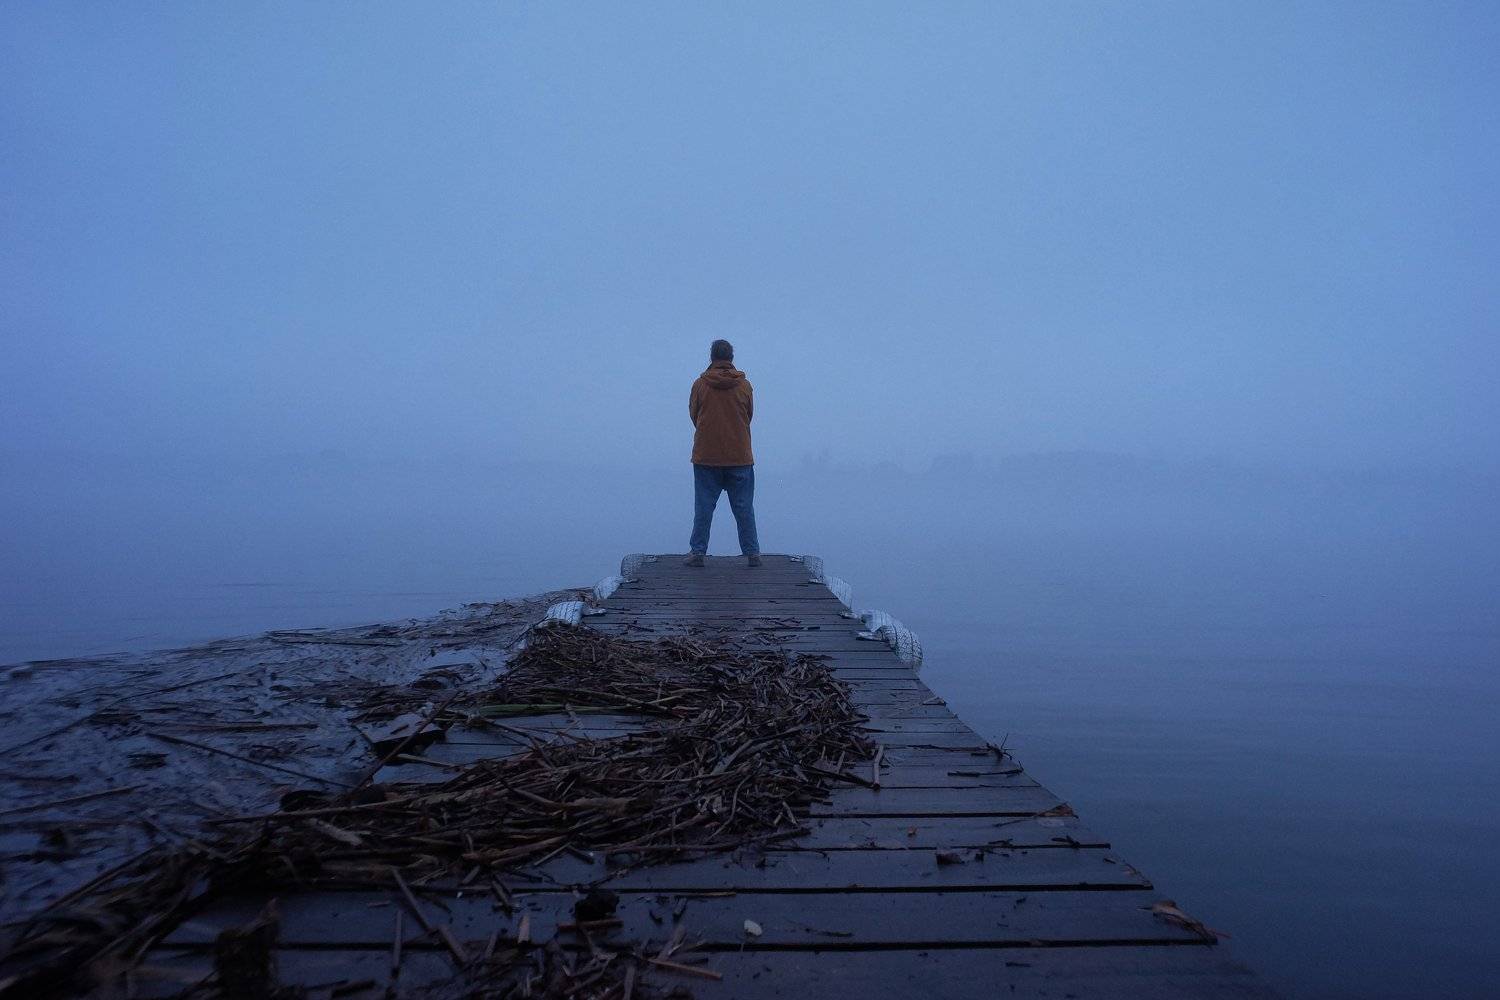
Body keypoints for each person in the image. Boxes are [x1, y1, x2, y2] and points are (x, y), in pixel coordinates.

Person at [684, 340, 760, 567]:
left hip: (706, 456)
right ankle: (752, 553)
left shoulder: (700, 385)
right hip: (740, 456)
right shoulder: (744, 386)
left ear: (711, 357)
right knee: (744, 507)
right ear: (731, 357)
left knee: (704, 507)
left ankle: (698, 553)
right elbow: (749, 415)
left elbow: (694, 415)